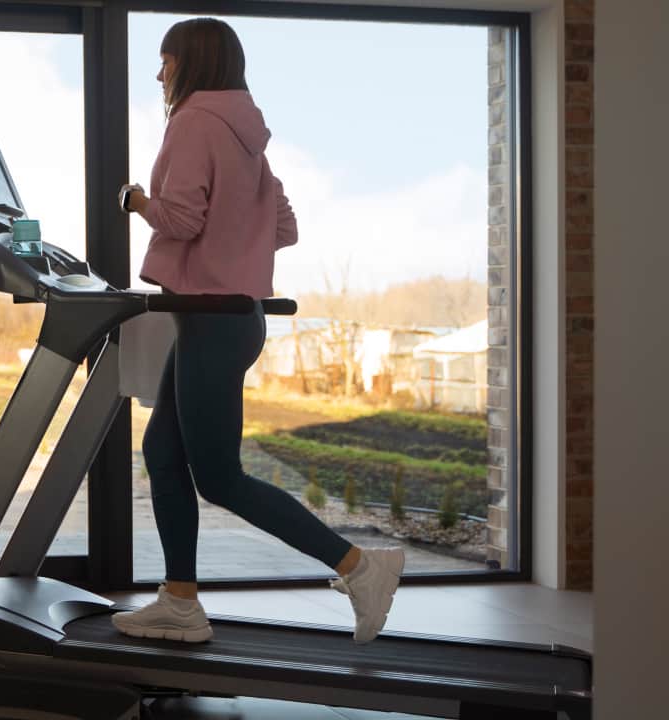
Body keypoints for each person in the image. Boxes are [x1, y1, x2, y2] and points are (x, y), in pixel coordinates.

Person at [113, 17, 404, 645]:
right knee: (162, 453)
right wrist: (238, 231)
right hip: (226, 320)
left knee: (218, 478)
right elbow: (284, 227)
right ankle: (180, 601)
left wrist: (136, 200)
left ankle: (360, 566)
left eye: (165, 61)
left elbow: (183, 219)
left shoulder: (192, 121)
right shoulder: (249, 136)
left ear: (191, 62)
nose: (159, 73)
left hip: (213, 322)